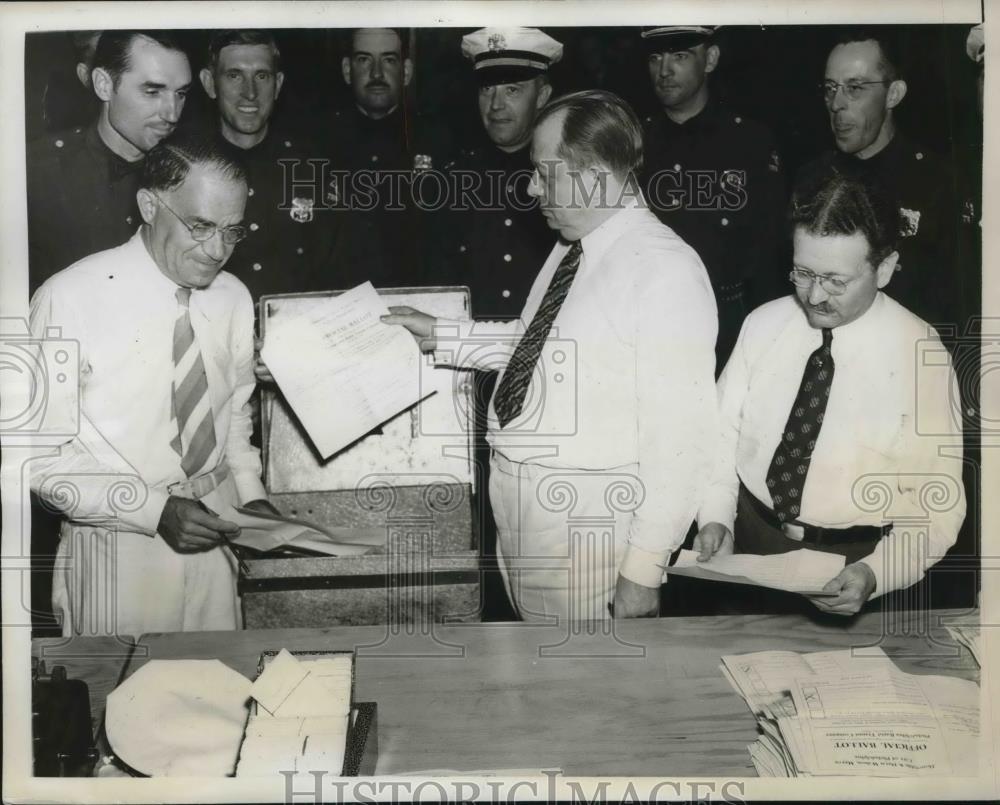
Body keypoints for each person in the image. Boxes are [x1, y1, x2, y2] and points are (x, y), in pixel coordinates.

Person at [383, 90, 719, 621]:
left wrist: (644, 570)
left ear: (595, 174)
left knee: (582, 692)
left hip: (588, 536)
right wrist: (441, 334)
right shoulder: (572, 246)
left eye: (544, 171)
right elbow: (534, 346)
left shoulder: (664, 270)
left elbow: (682, 441)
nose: (532, 187)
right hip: (523, 523)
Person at [29, 134, 277, 637]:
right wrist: (155, 510)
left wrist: (250, 497)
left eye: (233, 231)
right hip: (116, 551)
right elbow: (35, 458)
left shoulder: (232, 297)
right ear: (148, 205)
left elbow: (232, 413)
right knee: (119, 708)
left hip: (216, 536)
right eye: (201, 226)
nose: (218, 251)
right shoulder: (66, 299)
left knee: (221, 699)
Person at [694, 162, 965, 617]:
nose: (815, 296)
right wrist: (716, 517)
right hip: (748, 545)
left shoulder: (922, 357)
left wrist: (877, 573)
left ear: (885, 269)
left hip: (851, 566)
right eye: (802, 273)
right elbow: (719, 439)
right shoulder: (764, 325)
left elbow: (936, 508)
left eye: (836, 281)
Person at [431, 27, 563, 620]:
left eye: (513, 88)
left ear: (545, 93)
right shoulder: (449, 180)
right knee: (477, 528)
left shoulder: (569, 183)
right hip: (469, 379)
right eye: (487, 90)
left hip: (550, 382)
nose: (497, 104)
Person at [639, 25, 786, 368]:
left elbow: (768, 254)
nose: (664, 70)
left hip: (728, 330)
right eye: (655, 57)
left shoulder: (750, 142)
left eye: (680, 56)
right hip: (648, 325)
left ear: (711, 59)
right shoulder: (633, 142)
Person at [803, 28, 961, 334]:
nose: (836, 104)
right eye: (830, 88)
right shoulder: (811, 178)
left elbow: (952, 303)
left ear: (893, 94)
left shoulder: (937, 183)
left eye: (855, 88)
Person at [27, 31, 192, 292]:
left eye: (181, 94)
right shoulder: (35, 173)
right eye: (152, 91)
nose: (172, 114)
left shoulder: (192, 173)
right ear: (104, 85)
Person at [199, 29, 338, 303]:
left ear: (278, 84)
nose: (250, 92)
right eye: (234, 75)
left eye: (262, 76)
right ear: (210, 83)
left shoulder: (311, 168)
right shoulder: (188, 167)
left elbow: (335, 271)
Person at [327, 27, 427, 288]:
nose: (377, 74)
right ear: (347, 70)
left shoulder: (439, 141)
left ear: (406, 71)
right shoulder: (317, 144)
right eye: (364, 59)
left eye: (389, 60)